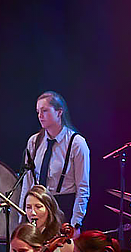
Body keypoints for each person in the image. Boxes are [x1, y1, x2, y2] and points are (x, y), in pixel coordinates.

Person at [21, 91, 91, 227]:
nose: (40, 116)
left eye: (45, 110)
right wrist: (22, 217)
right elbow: (27, 182)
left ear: (59, 112)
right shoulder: (34, 141)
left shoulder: (76, 143)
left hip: (63, 207)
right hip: (37, 208)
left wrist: (76, 223)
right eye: (38, 112)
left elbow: (83, 187)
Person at [20, 184, 76, 252]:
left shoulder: (64, 243)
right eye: (28, 208)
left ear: (49, 210)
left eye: (38, 207)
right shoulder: (19, 239)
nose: (32, 213)